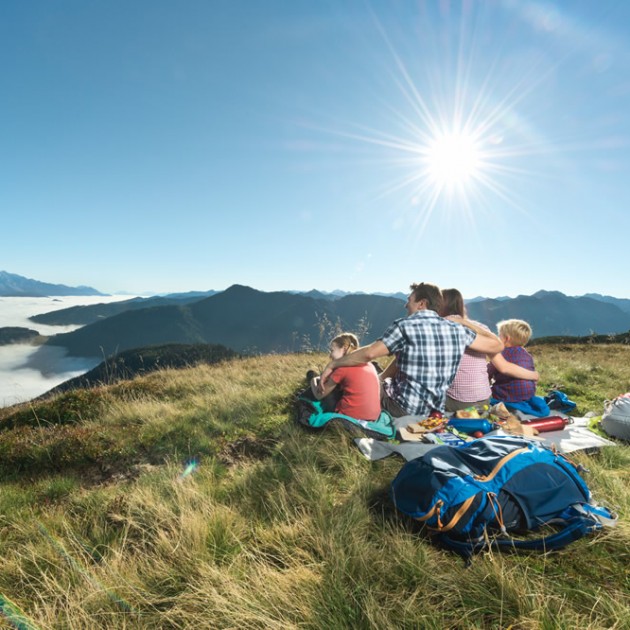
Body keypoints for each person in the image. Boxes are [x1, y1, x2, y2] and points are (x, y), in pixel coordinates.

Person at [319, 282, 504, 417]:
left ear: (421, 303)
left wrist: (335, 363)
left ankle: (326, 395)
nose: (406, 304)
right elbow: (497, 345)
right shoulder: (459, 331)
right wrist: (466, 323)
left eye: (409, 300)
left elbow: (368, 354)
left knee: (357, 371)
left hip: (400, 408)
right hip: (435, 412)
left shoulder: (404, 326)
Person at [439, 289, 539, 412]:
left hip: (459, 402)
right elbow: (504, 367)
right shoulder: (482, 328)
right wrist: (533, 375)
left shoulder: (439, 328)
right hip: (484, 400)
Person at [309, 332, 381, 421]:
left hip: (349, 417)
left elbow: (319, 395)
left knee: (323, 389)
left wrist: (313, 380)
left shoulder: (342, 369)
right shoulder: (369, 364)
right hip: (374, 417)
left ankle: (311, 375)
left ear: (344, 348)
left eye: (332, 350)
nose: (330, 355)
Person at [487, 319, 550, 417]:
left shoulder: (500, 355)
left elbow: (487, 373)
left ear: (506, 339)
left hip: (506, 397)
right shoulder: (527, 355)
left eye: (499, 335)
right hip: (528, 396)